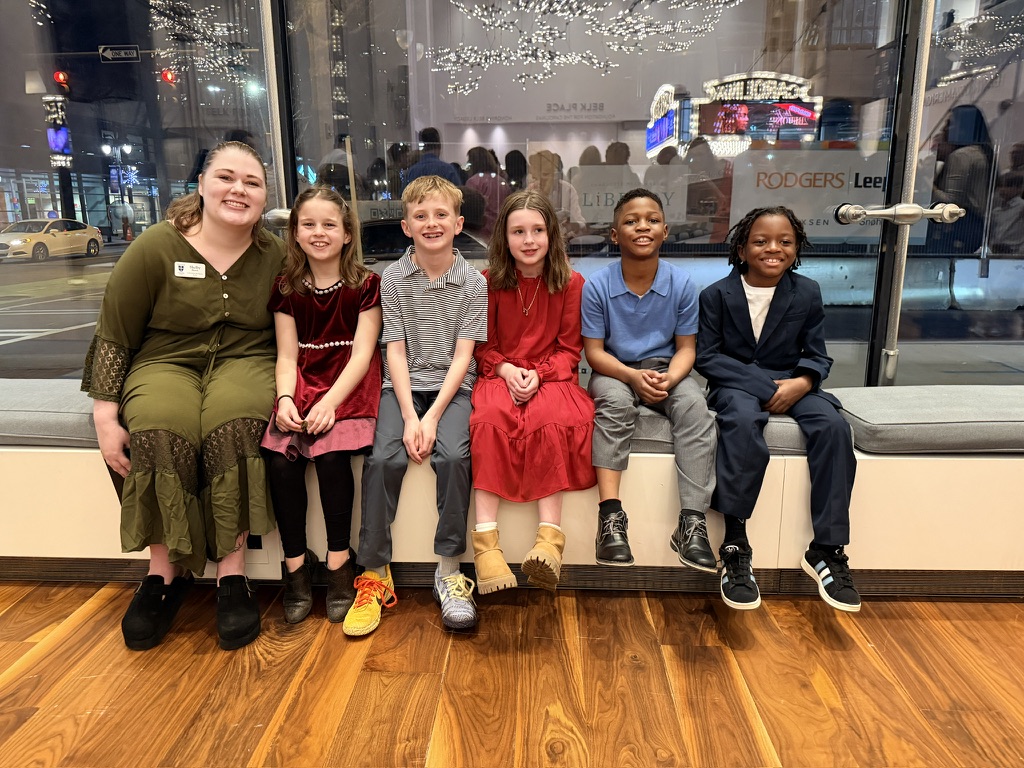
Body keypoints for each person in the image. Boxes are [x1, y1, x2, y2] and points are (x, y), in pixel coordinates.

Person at [82, 140, 286, 651]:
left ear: (265, 197)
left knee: (236, 422)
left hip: (245, 360)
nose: (238, 189)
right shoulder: (156, 246)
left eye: (252, 182)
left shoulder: (275, 255)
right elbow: (115, 332)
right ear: (201, 184)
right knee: (158, 424)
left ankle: (232, 573)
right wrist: (105, 416)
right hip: (164, 361)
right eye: (226, 177)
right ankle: (163, 571)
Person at [695, 206, 860, 613]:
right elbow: (707, 357)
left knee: (833, 427)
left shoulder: (807, 292)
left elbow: (817, 355)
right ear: (741, 249)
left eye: (785, 241)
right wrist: (764, 387)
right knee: (741, 420)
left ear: (796, 248)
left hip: (794, 380)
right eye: (761, 241)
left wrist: (802, 382)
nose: (773, 248)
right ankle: (735, 543)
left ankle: (826, 549)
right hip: (735, 385)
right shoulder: (715, 294)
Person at [343, 175, 488, 636]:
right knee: (382, 459)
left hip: (453, 389)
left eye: (441, 214)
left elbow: (464, 358)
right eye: (420, 216)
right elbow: (395, 351)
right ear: (406, 226)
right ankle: (374, 573)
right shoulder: (393, 278)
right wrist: (410, 417)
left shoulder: (474, 282)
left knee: (454, 457)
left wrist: (432, 417)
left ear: (458, 223)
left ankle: (450, 570)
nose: (431, 223)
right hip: (402, 388)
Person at [261, 186, 383, 624]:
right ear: (294, 233)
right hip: (303, 379)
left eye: (329, 224)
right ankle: (295, 567)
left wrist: (330, 403)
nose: (319, 232)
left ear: (347, 233)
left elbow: (362, 356)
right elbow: (287, 356)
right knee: (280, 462)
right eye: (308, 224)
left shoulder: (366, 285)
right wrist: (285, 398)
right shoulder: (286, 288)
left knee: (332, 458)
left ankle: (338, 563)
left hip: (347, 384)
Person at [580, 188, 718, 573]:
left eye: (652, 220)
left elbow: (686, 349)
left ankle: (692, 523)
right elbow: (594, 353)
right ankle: (610, 519)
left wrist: (668, 379)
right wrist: (631, 376)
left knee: (696, 407)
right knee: (615, 403)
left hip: (666, 370)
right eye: (631, 221)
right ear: (614, 234)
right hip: (615, 370)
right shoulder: (597, 286)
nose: (643, 226)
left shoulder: (682, 284)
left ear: (665, 231)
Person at [470, 191, 597, 593]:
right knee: (488, 418)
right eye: (518, 231)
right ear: (504, 238)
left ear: (551, 234)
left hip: (552, 377)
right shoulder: (488, 282)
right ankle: (486, 546)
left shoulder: (571, 283)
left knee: (549, 417)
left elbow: (569, 350)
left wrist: (538, 376)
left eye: (538, 230)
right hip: (500, 373)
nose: (529, 240)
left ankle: (549, 541)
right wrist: (506, 370)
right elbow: (482, 346)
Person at [928, 104, 994, 255]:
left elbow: (951, 203)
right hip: (975, 228)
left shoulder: (961, 156)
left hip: (958, 229)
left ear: (965, 128)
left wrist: (924, 182)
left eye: (950, 124)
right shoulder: (979, 153)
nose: (945, 129)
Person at [528, 149, 586, 236]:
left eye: (547, 174)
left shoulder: (568, 190)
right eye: (538, 176)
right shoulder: (531, 190)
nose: (542, 180)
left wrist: (574, 224)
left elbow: (581, 223)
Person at [465, 145, 509, 238]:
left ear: (474, 162)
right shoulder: (501, 181)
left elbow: (469, 209)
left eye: (470, 161)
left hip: (481, 231)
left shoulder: (474, 181)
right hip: (500, 228)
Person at [986, 171, 1024, 254]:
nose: (1002, 189)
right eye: (1000, 186)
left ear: (1019, 188)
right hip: (995, 251)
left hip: (1015, 251)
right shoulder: (996, 211)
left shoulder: (1021, 207)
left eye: (1007, 186)